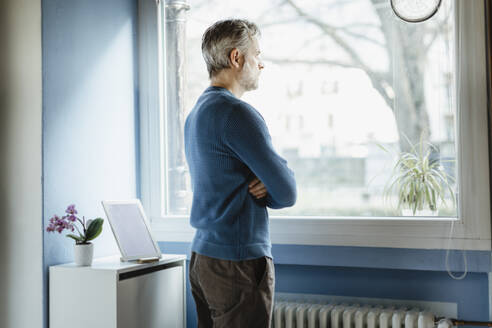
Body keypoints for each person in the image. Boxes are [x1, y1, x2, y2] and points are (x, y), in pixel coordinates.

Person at [184, 19, 297, 328]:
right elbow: (287, 191)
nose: (261, 64)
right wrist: (272, 186)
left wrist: (268, 184)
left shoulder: (196, 115)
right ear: (236, 58)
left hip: (202, 258)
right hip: (236, 262)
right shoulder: (236, 113)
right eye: (256, 54)